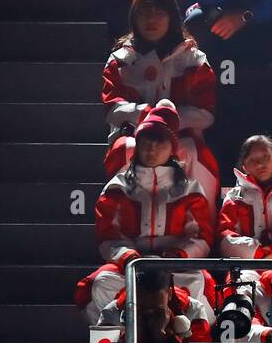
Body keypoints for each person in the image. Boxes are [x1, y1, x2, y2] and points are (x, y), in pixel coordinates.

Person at [76, 101, 215, 324]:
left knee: (198, 281)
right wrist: (130, 257)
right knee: (99, 284)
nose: (151, 149)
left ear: (172, 148)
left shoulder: (190, 188)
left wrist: (177, 257)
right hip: (130, 265)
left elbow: (201, 235)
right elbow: (107, 235)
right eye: (146, 142)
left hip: (174, 266)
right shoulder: (118, 186)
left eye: (159, 142)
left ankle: (188, 342)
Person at [102, 0, 220, 212]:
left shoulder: (193, 58)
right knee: (125, 149)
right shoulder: (120, 59)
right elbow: (111, 109)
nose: (151, 20)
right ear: (134, 18)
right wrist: (147, 115)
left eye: (159, 13)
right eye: (144, 13)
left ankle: (198, 231)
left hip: (181, 137)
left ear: (172, 17)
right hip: (133, 135)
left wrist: (168, 122)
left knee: (194, 153)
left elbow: (205, 114)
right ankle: (126, 230)